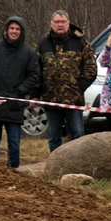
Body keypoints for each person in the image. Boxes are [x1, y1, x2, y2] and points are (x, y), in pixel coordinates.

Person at [0, 15, 39, 168]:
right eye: (11, 28)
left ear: (21, 31)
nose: (14, 31)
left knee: (14, 144)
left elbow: (33, 76)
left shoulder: (28, 53)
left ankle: (13, 171)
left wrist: (20, 91)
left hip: (14, 104)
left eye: (17, 29)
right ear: (6, 30)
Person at [35, 12, 88, 152]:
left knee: (78, 136)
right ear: (51, 24)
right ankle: (55, 169)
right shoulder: (43, 44)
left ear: (68, 23)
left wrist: (79, 86)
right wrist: (36, 93)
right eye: (57, 22)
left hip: (73, 100)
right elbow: (36, 70)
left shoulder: (80, 42)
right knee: (54, 138)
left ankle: (79, 167)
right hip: (51, 99)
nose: (60, 25)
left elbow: (90, 67)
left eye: (63, 22)